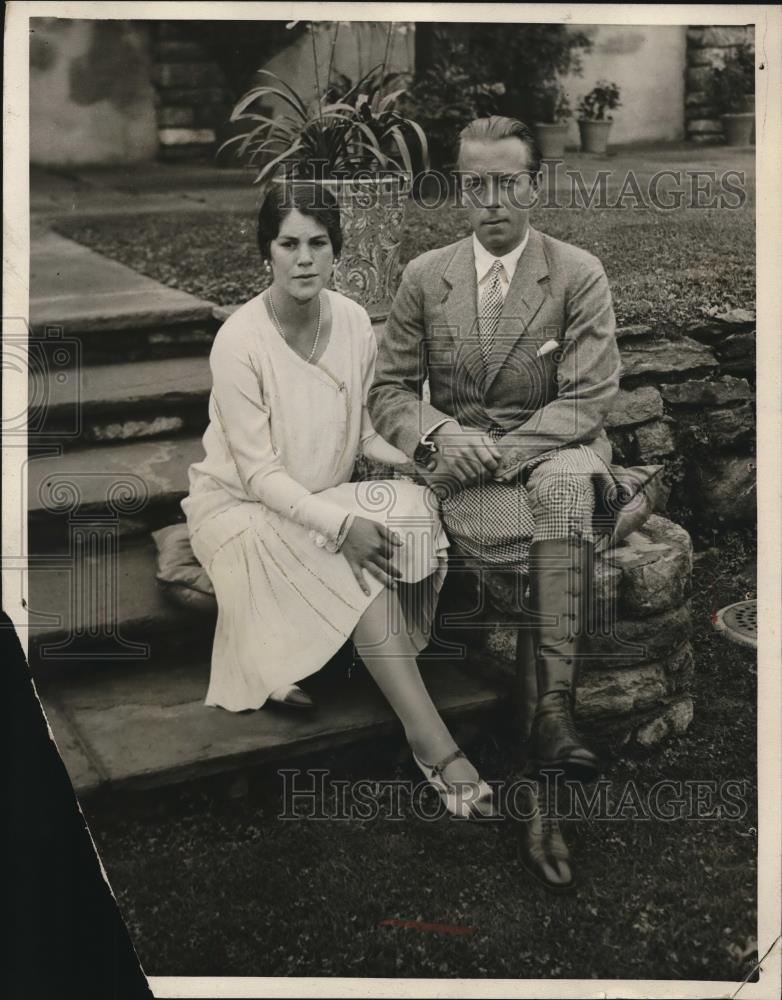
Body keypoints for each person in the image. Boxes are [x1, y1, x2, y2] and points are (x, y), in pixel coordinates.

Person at [181, 182, 495, 819]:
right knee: (346, 555)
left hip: (318, 497)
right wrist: (342, 523)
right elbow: (261, 475)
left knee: (409, 508)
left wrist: (423, 455)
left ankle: (360, 651)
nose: (303, 258)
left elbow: (368, 431)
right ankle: (430, 739)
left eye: (317, 243)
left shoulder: (352, 321)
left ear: (336, 251)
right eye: (288, 243)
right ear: (265, 252)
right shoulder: (239, 341)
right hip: (242, 510)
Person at [368, 115, 626, 888]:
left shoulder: (577, 273)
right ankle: (551, 753)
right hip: (465, 475)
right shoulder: (425, 276)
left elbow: (587, 400)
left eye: (509, 182)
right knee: (548, 562)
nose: (493, 201)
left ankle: (546, 750)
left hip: (555, 451)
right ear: (458, 190)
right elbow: (388, 392)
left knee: (566, 489)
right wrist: (441, 433)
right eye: (475, 184)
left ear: (535, 185)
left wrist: (498, 451)